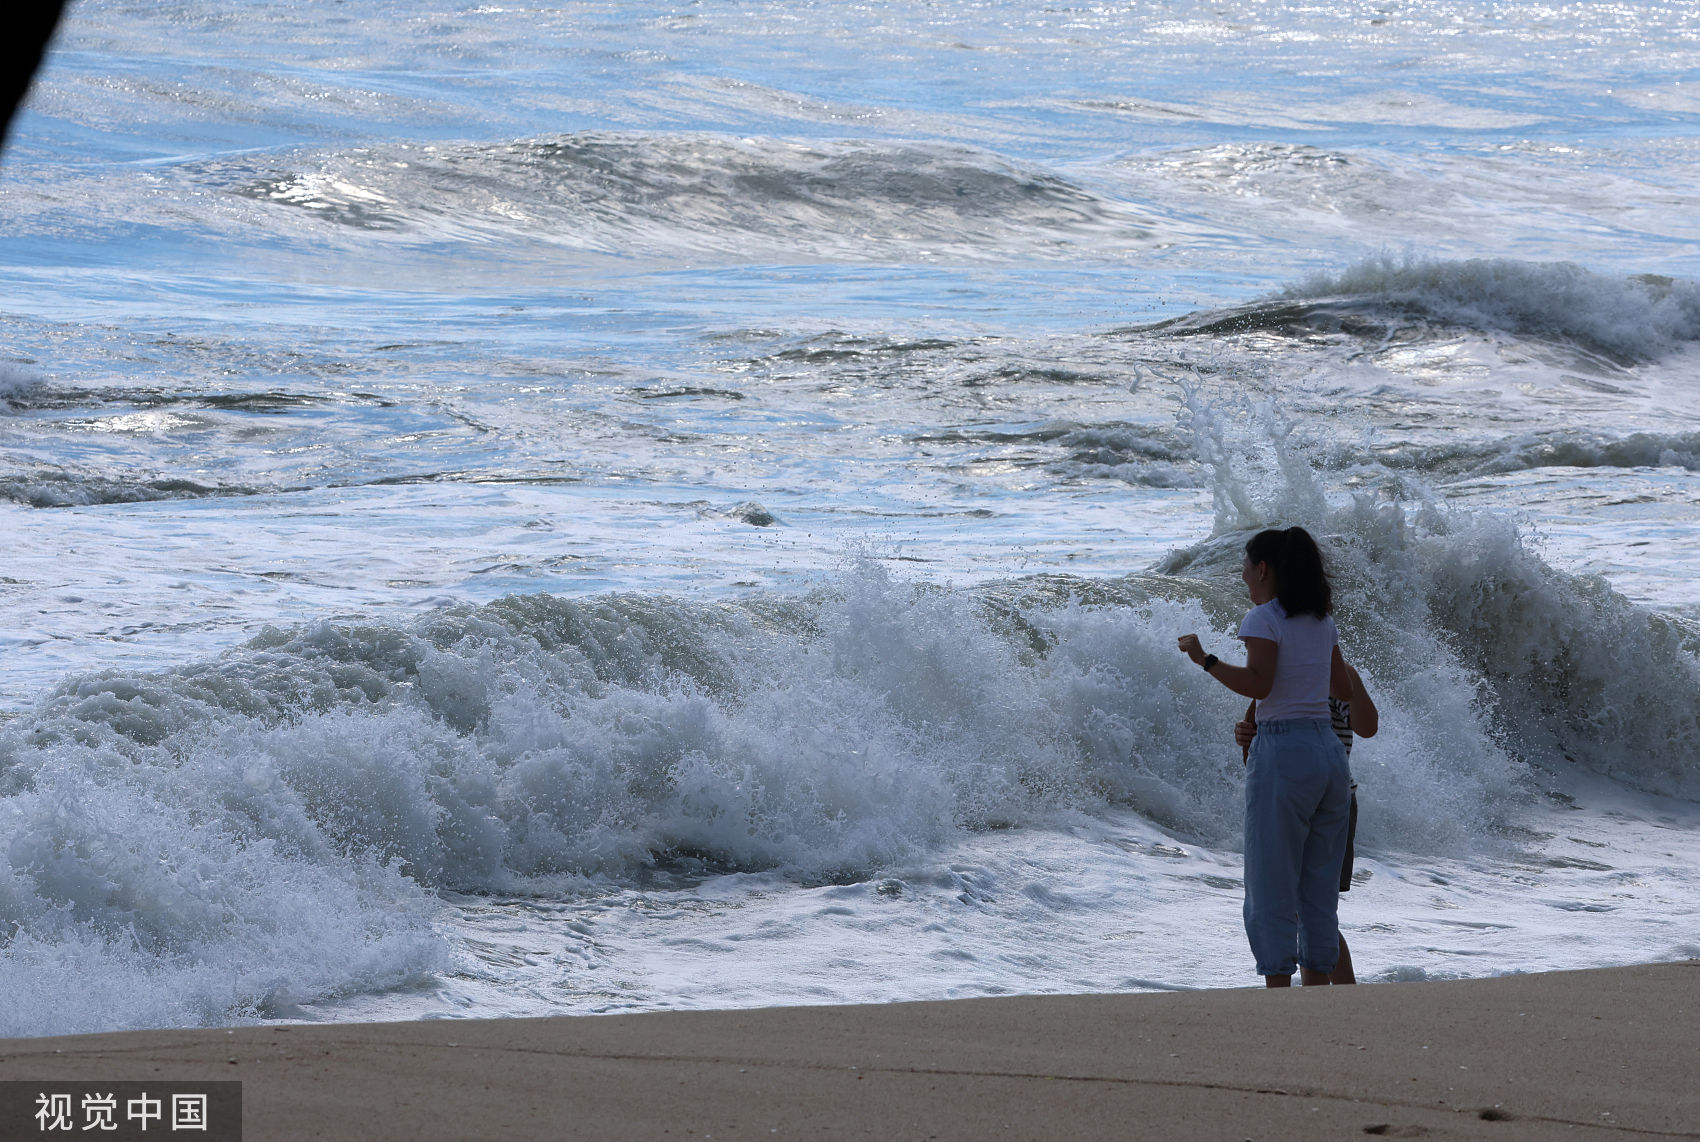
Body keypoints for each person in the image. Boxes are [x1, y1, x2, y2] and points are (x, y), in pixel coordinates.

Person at [1176, 526, 1351, 988]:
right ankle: (1317, 991)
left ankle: (1278, 989)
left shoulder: (1263, 619)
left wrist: (1205, 660)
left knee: (1271, 884)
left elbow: (1259, 684)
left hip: (1283, 752)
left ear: (1263, 569)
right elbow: (1344, 689)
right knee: (1318, 887)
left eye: (1245, 567)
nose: (1242, 576)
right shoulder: (1321, 621)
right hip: (1329, 755)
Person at [1235, 659, 1377, 984]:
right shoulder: (1274, 676)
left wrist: (1343, 673)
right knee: (1307, 911)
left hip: (1331, 802)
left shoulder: (1334, 674)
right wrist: (1246, 736)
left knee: (1314, 910)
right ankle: (1334, 997)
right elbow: (1252, 742)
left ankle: (1336, 996)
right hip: (1287, 797)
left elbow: (1368, 726)